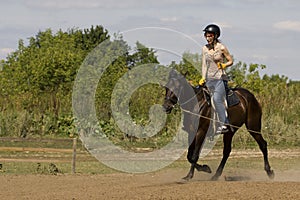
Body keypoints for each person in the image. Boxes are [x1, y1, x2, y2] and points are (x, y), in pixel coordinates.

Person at [199, 24, 233, 134]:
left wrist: (224, 65)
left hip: (220, 78)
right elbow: (204, 64)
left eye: (210, 36)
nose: (208, 38)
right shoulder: (204, 49)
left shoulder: (221, 48)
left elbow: (230, 61)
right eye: (206, 36)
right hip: (209, 79)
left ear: (215, 36)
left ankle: (225, 124)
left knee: (217, 99)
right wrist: (203, 77)